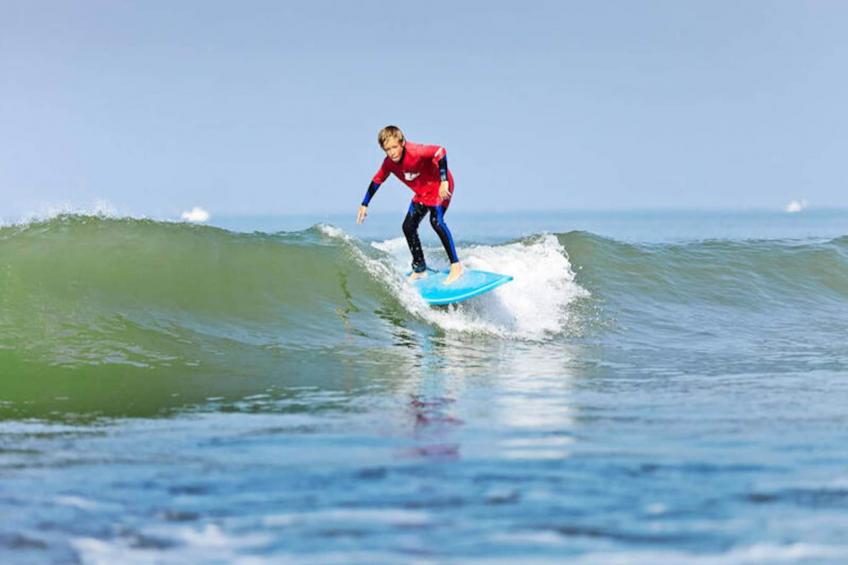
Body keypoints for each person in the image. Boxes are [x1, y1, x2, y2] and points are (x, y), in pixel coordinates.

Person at [356, 125, 464, 284]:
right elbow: (377, 180)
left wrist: (444, 181)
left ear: (402, 143)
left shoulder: (415, 151)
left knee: (436, 222)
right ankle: (420, 268)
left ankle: (456, 266)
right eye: (387, 149)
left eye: (394, 147)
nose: (392, 152)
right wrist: (364, 204)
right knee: (408, 226)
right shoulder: (388, 164)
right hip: (422, 193)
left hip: (439, 188)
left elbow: (440, 151)